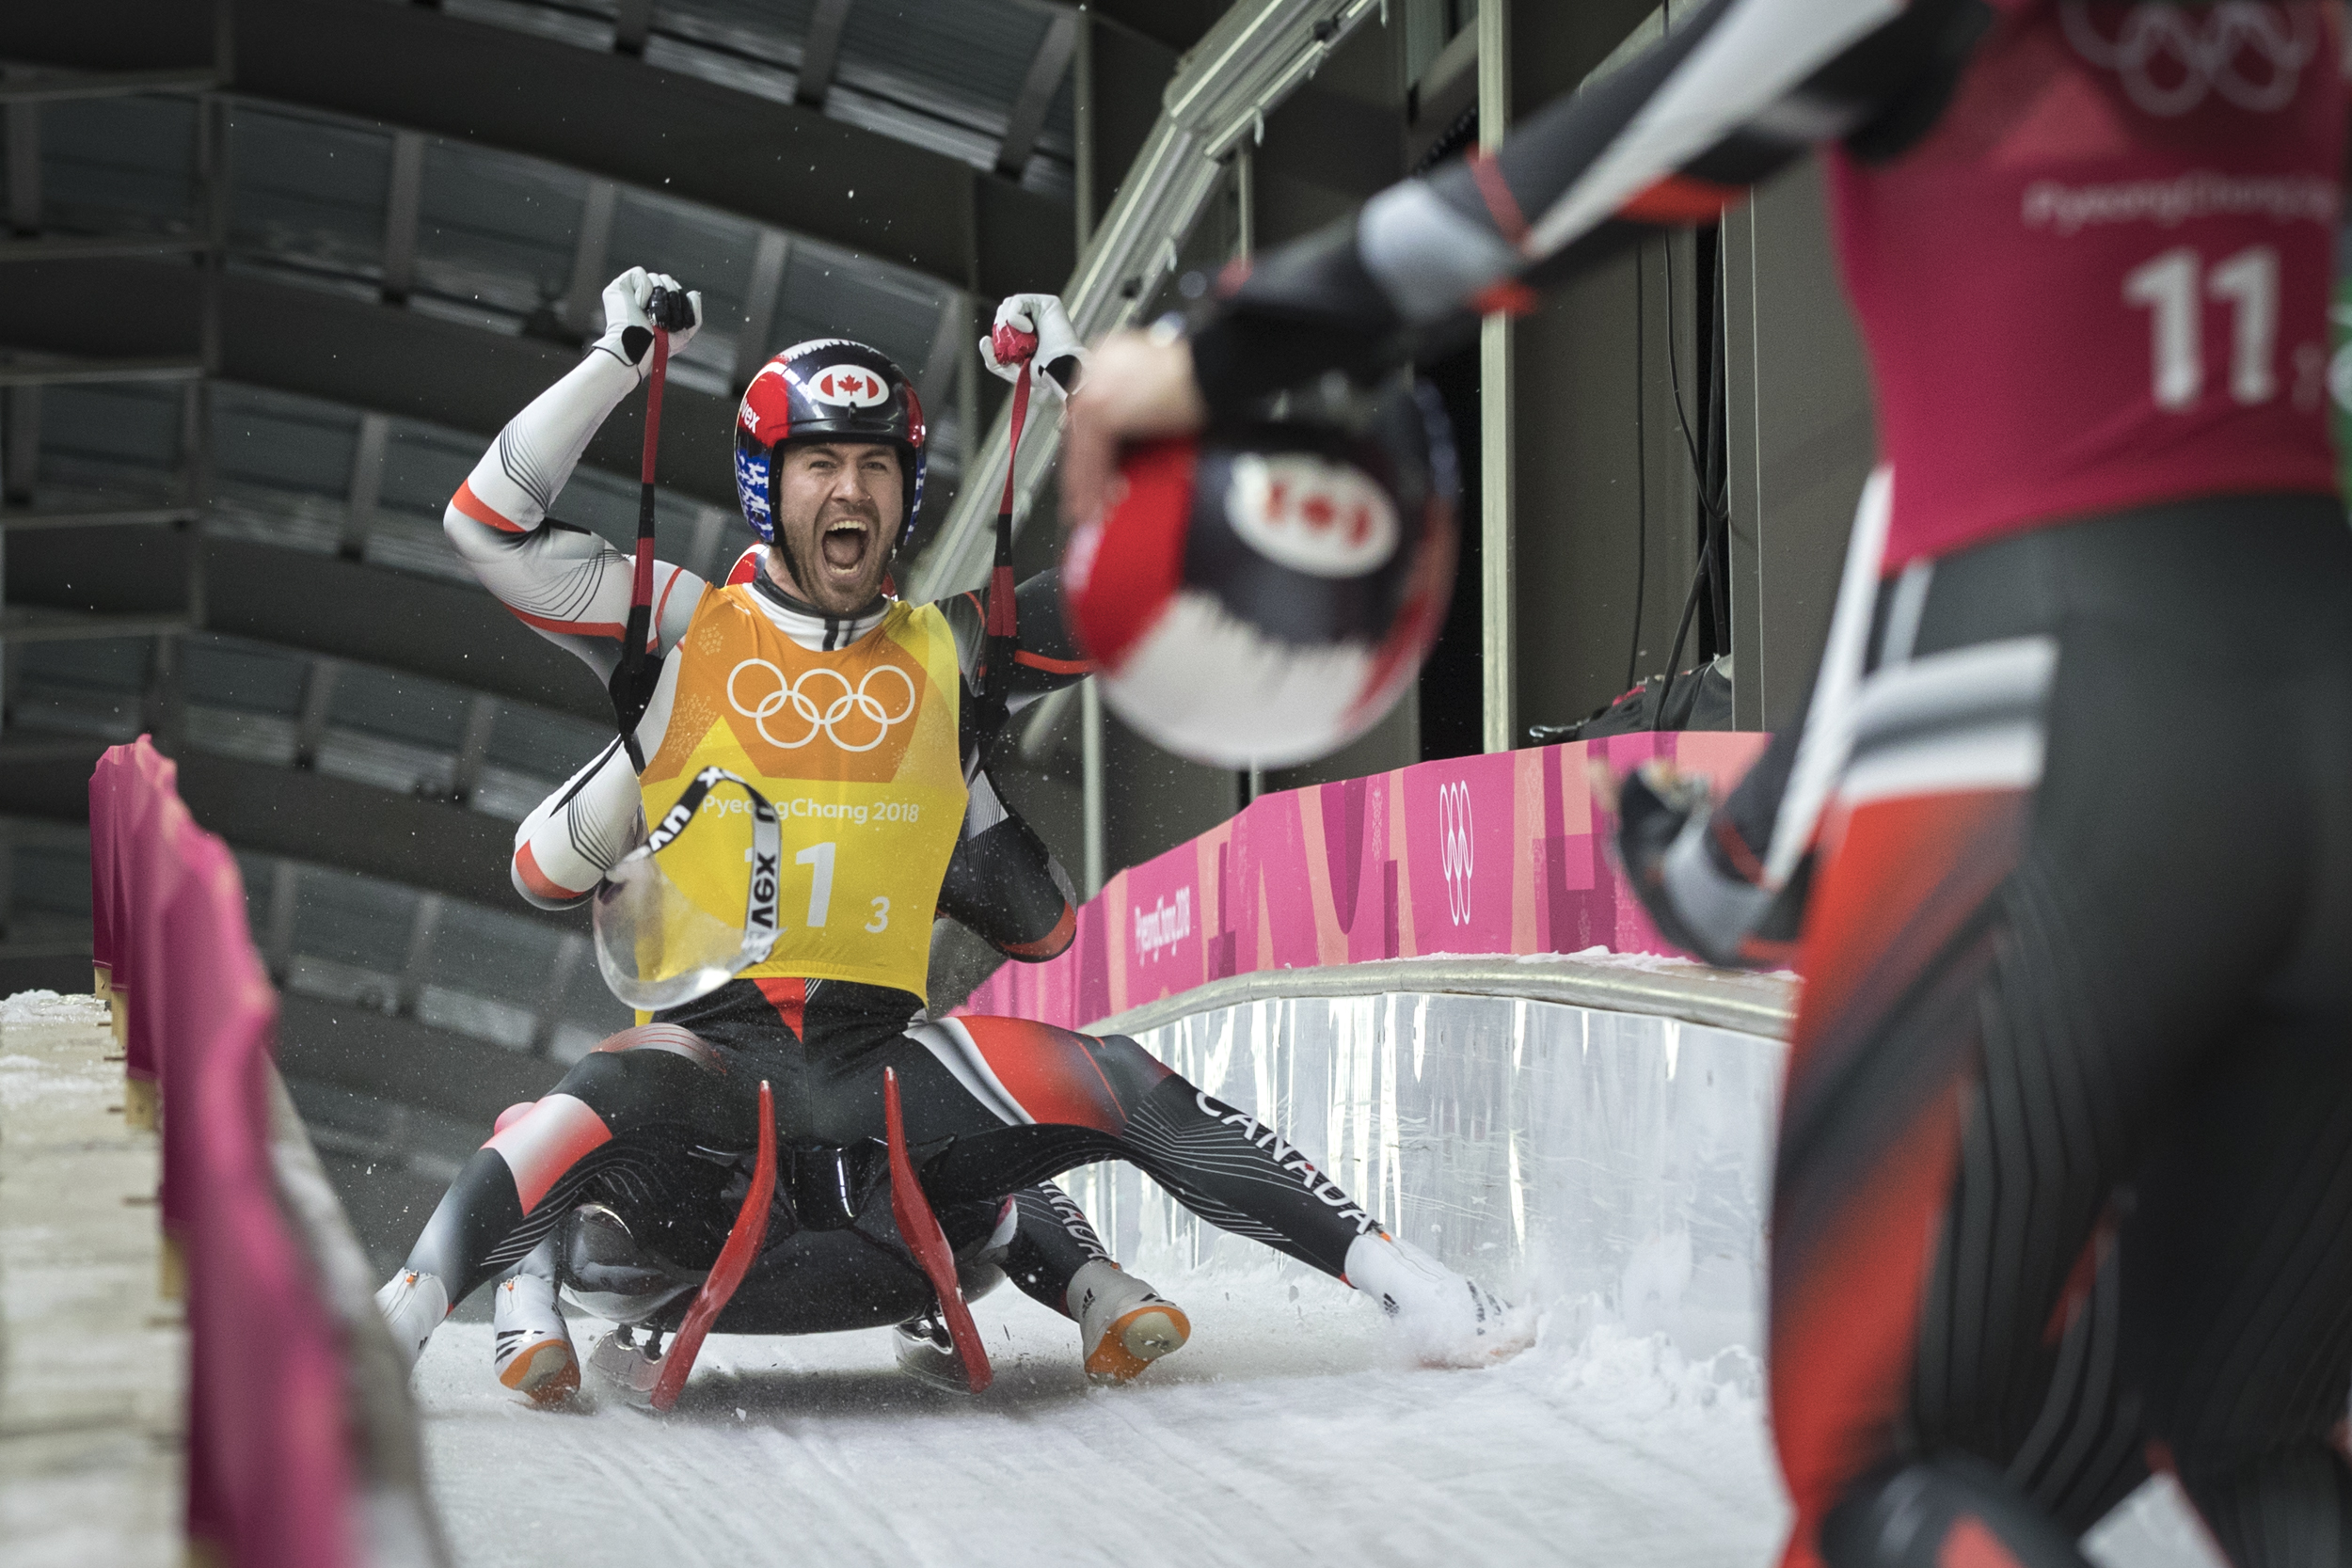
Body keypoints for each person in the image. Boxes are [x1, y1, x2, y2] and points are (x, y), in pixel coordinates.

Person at [1063, 4, 2351, 1564]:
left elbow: (1633, 144)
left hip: (2050, 717)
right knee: (2254, 1418)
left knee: (1883, 1467)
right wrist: (1747, 850)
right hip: (2321, 710)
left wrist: (1231, 342)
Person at [376, 273, 1525, 1402]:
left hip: (886, 1066)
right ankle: (396, 1323)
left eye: (876, 465)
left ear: (906, 490)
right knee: (581, 1100)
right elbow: (484, 523)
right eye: (821, 462)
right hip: (705, 1071)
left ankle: (1416, 1293)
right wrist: (616, 358)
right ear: (769, 486)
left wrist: (1078, 375)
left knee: (1125, 1079)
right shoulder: (680, 623)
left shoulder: (958, 647)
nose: (851, 492)